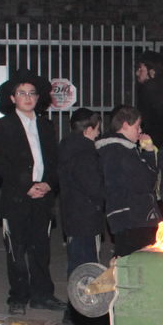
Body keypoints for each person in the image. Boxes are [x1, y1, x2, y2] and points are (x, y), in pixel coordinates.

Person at [0, 69, 61, 315]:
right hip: (17, 198)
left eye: (32, 93)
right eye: (22, 93)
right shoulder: (3, 126)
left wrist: (48, 184)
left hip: (42, 197)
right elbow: (1, 164)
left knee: (40, 248)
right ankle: (18, 296)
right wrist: (26, 187)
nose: (28, 98)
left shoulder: (45, 126)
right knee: (17, 249)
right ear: (12, 98)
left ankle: (42, 294)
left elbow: (54, 161)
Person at [97, 105, 161, 256]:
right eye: (137, 126)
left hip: (126, 217)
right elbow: (147, 182)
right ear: (125, 125)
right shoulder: (121, 151)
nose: (139, 131)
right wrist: (149, 152)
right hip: (134, 218)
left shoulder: (113, 149)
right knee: (138, 264)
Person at [58, 108, 106, 276]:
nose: (98, 134)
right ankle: (84, 300)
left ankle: (78, 298)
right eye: (97, 129)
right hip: (86, 217)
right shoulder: (85, 152)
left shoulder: (67, 147)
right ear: (88, 130)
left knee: (77, 261)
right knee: (87, 265)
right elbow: (93, 186)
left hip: (73, 215)